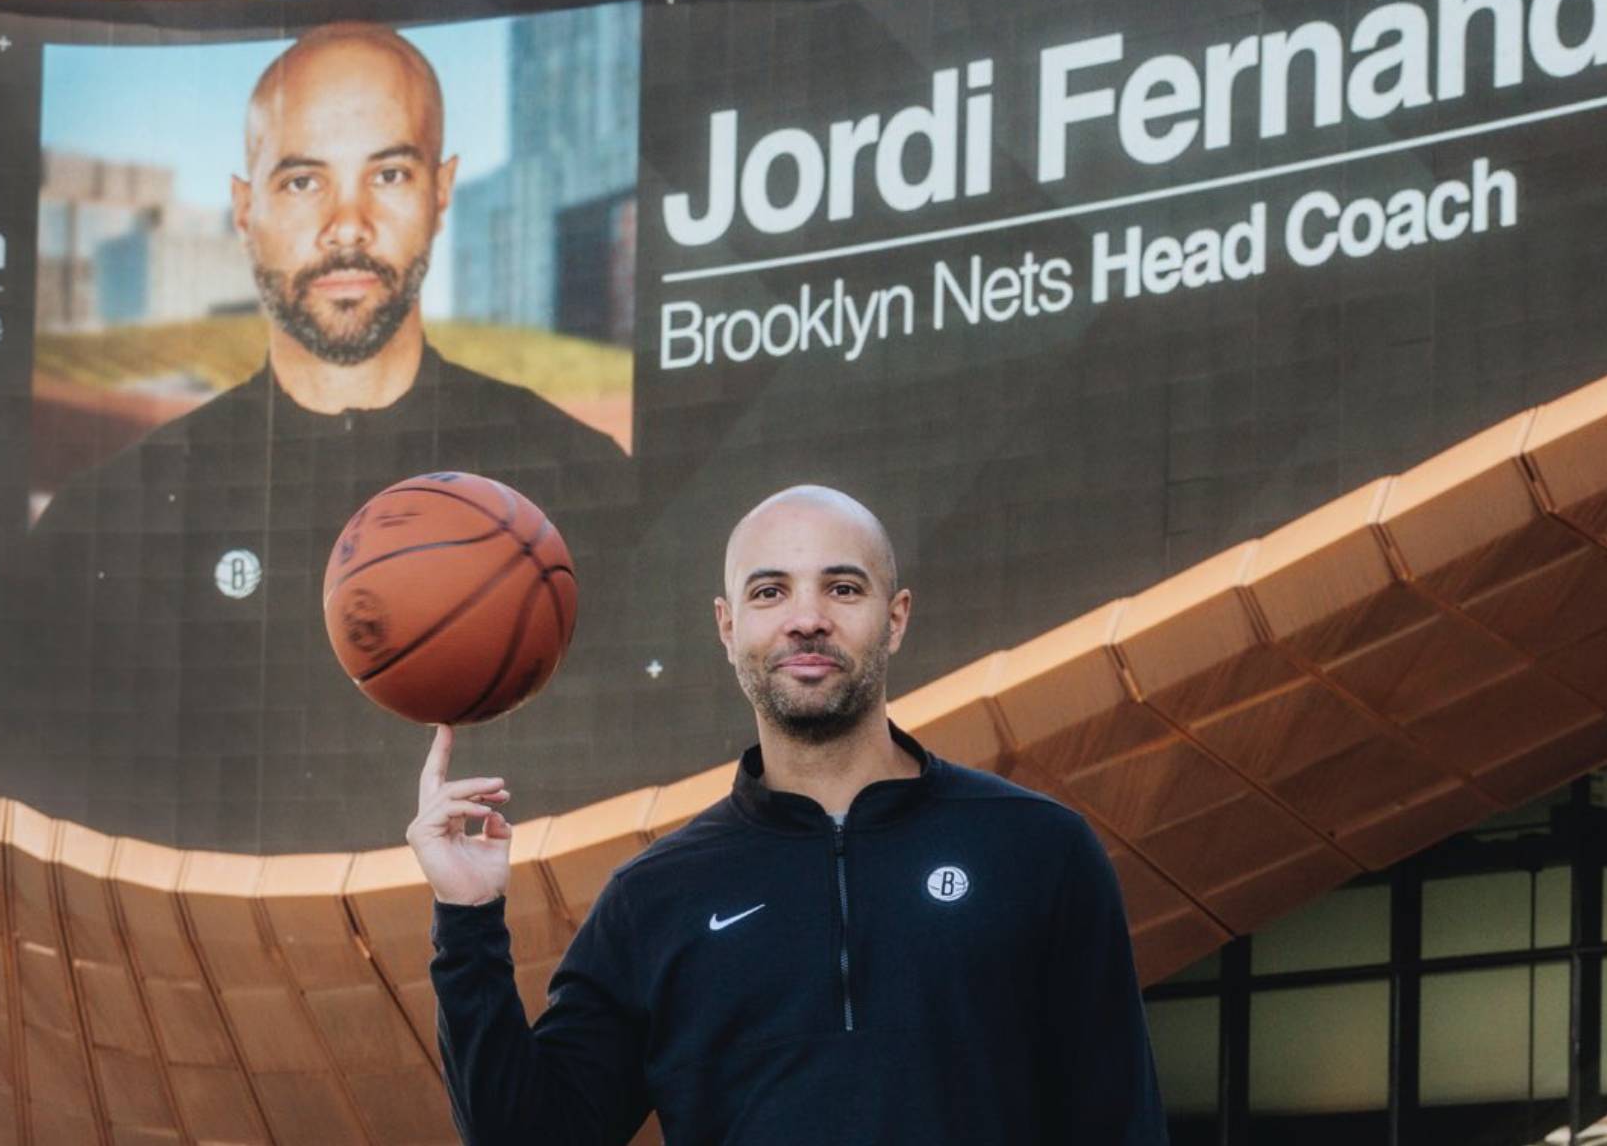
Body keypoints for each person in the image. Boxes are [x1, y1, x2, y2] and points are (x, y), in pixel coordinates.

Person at [11, 23, 633, 850]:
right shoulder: (100, 522)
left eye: (389, 172)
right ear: (245, 206)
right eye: (304, 180)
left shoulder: (585, 482)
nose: (348, 224)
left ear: (441, 189)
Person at [415, 485, 1168, 1145]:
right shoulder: (656, 896)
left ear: (896, 617)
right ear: (727, 625)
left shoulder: (1037, 850)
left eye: (842, 588)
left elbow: (1119, 1123)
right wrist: (467, 918)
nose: (806, 619)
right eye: (770, 592)